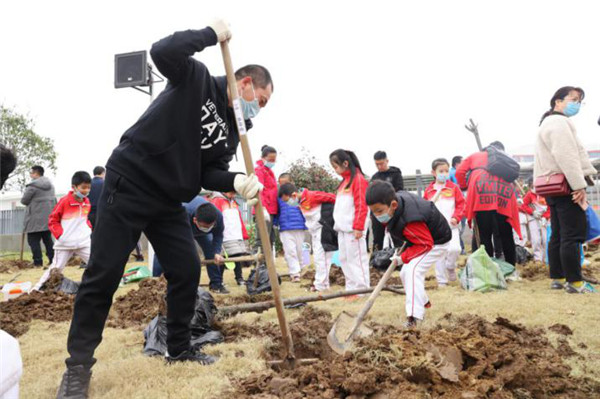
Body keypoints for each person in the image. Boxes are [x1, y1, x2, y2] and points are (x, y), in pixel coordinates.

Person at [57, 21, 271, 397]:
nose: (260, 108)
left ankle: (179, 348)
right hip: (130, 184)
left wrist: (236, 180)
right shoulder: (197, 78)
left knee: (187, 268)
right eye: (261, 99)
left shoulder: (233, 129)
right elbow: (162, 51)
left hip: (168, 201)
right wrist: (209, 34)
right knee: (103, 276)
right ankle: (77, 368)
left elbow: (210, 171)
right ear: (246, 82)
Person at [534, 86, 596, 293]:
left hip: (553, 187)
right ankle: (575, 282)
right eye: (573, 99)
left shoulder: (547, 123)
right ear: (557, 101)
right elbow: (566, 155)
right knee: (572, 234)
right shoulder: (559, 122)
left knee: (559, 234)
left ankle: (558, 278)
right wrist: (579, 185)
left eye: (579, 100)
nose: (576, 104)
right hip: (566, 185)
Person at [367, 181, 451, 327]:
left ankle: (414, 317)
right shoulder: (397, 204)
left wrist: (402, 258)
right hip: (422, 238)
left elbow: (425, 244)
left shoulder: (410, 221)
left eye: (379, 211)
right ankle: (423, 301)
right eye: (373, 211)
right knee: (404, 273)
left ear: (393, 205)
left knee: (413, 270)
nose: (376, 215)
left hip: (436, 242)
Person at [456, 142, 521, 265]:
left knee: (483, 234)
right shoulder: (504, 158)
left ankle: (487, 268)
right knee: (506, 233)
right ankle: (511, 268)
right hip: (504, 194)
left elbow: (459, 172)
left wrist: (464, 186)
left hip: (482, 193)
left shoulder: (475, 155)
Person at [153, 196, 227, 293]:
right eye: (205, 226)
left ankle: (216, 284)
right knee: (163, 249)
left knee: (211, 252)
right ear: (195, 220)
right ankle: (156, 283)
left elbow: (218, 235)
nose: (208, 228)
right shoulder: (183, 212)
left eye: (210, 226)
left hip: (201, 232)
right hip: (177, 226)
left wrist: (217, 252)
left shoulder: (218, 215)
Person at [33, 172, 92, 291]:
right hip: (64, 243)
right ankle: (36, 290)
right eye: (83, 187)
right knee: (56, 268)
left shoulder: (87, 202)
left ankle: (100, 287)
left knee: (95, 263)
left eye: (88, 187)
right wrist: (61, 236)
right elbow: (53, 220)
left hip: (83, 242)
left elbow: (85, 220)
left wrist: (88, 229)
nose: (86, 190)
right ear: (74, 187)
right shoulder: (64, 201)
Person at [280, 183, 337, 291]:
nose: (288, 204)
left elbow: (333, 198)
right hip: (314, 231)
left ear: (293, 195)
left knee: (322, 257)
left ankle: (321, 285)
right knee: (318, 258)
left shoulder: (313, 196)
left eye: (287, 201)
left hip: (323, 229)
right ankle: (323, 284)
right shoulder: (300, 202)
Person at [330, 149, 370, 297]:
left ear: (345, 163)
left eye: (335, 166)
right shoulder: (344, 183)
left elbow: (361, 204)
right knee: (344, 259)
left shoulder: (358, 180)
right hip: (342, 229)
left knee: (357, 260)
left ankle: (362, 291)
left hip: (354, 229)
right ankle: (351, 289)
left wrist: (359, 227)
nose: (335, 170)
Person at [423, 158, 465, 287]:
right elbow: (425, 208)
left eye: (446, 171)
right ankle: (442, 281)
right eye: (441, 171)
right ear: (433, 172)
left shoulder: (453, 188)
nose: (444, 173)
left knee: (455, 249)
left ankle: (450, 266)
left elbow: (461, 204)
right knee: (439, 255)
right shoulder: (429, 191)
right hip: (436, 229)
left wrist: (456, 217)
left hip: (452, 226)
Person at [210, 191, 250, 285]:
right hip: (224, 235)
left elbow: (239, 218)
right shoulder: (218, 201)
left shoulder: (234, 202)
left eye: (234, 193)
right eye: (231, 192)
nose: (233, 194)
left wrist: (243, 233)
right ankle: (219, 280)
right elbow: (215, 218)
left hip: (236, 234)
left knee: (237, 257)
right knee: (222, 258)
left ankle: (239, 278)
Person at [21, 165, 55, 267]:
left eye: (31, 173)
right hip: (48, 218)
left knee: (33, 241)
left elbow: (24, 201)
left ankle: (38, 262)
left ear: (36, 173)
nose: (31, 175)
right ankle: (53, 260)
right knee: (48, 240)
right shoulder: (51, 186)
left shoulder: (32, 186)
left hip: (34, 219)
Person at [274, 183, 308, 282]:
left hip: (299, 227)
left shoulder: (299, 198)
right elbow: (277, 212)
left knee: (299, 250)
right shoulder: (279, 199)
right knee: (290, 251)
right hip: (285, 228)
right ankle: (295, 273)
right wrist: (275, 223)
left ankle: (301, 268)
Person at [370, 151, 404, 251]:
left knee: (397, 234)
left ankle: (399, 259)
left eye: (381, 163)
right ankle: (377, 260)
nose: (379, 166)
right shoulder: (375, 177)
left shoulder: (395, 173)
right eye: (377, 164)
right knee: (378, 235)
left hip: (392, 208)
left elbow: (400, 190)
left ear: (387, 161)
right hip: (379, 210)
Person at [254, 145, 278, 253]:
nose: (273, 162)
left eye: (274, 159)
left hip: (271, 209)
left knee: (270, 239)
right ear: (263, 158)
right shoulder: (259, 171)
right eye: (270, 160)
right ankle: (259, 267)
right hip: (264, 209)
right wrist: (262, 208)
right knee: (262, 239)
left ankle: (269, 267)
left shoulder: (269, 171)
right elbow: (259, 191)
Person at [519, 180, 550, 263]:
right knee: (536, 240)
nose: (535, 188)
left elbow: (550, 207)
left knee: (545, 239)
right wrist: (532, 212)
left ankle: (546, 258)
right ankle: (538, 259)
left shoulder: (546, 194)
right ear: (530, 187)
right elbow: (523, 206)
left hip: (544, 220)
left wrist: (545, 217)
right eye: (533, 187)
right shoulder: (529, 194)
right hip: (533, 219)